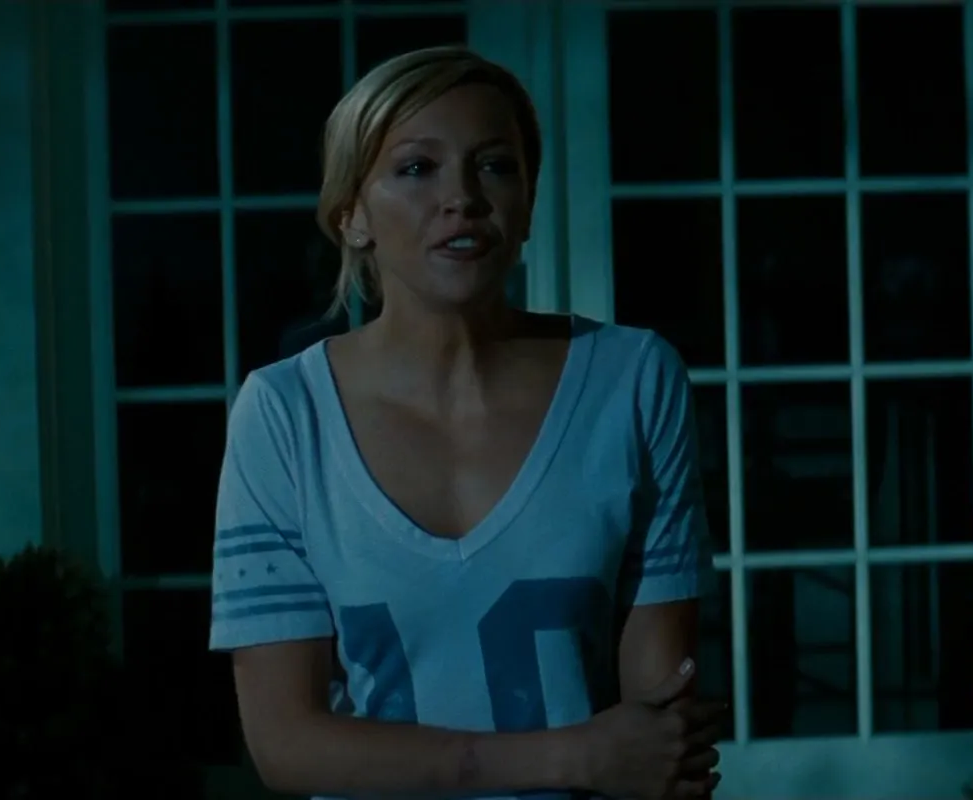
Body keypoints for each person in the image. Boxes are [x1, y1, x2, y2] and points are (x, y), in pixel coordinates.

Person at [207, 45, 726, 800]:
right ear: (352, 215)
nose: (463, 198)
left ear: (528, 201)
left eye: (495, 166)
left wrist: (644, 759)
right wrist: (570, 759)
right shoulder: (285, 414)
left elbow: (658, 724)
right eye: (418, 168)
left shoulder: (633, 380)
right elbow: (286, 742)